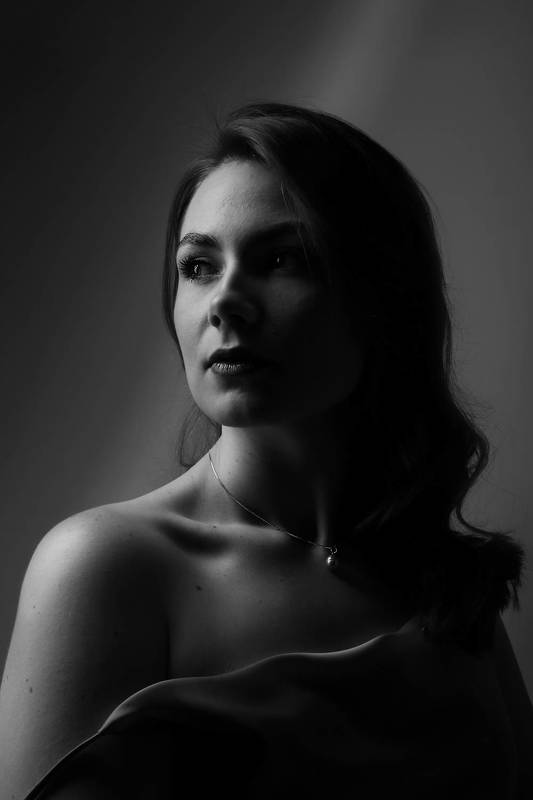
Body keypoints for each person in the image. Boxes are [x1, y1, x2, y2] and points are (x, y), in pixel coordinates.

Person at [0, 102, 531, 799]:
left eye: (281, 259)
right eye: (198, 266)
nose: (225, 302)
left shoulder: (441, 581)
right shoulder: (105, 568)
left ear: (382, 295)